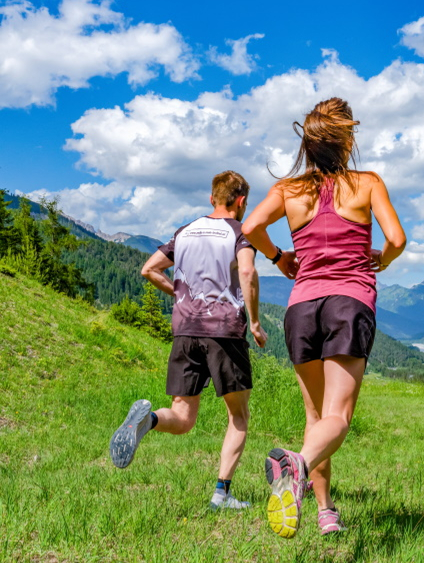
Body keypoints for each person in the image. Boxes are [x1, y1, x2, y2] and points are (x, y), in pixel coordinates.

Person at [242, 97, 406, 538]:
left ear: (309, 145)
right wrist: (383, 259)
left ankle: (324, 510)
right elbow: (396, 238)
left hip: (301, 309)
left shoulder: (288, 190)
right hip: (348, 303)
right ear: (346, 140)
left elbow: (251, 227)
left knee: (316, 417)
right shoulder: (367, 183)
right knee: (338, 416)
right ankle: (296, 466)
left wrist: (278, 257)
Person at [109, 170, 268, 511]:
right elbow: (247, 271)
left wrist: (180, 294)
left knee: (182, 417)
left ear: (212, 198)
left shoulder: (185, 231)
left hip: (185, 330)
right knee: (238, 416)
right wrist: (255, 323)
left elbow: (149, 269)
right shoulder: (240, 231)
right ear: (241, 201)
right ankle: (221, 495)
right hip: (224, 332)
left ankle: (149, 421)